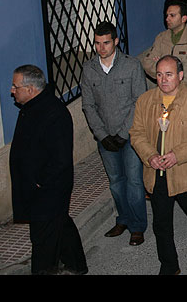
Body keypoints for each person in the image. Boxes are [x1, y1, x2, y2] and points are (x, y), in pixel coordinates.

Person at [130, 55, 187, 275]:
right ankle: (169, 265)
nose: (163, 79)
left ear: (180, 76)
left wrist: (177, 155)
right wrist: (150, 155)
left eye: (168, 74)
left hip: (186, 173)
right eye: (159, 74)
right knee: (161, 224)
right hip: (156, 172)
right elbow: (137, 133)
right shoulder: (145, 100)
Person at [10, 64, 88, 275]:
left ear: (30, 89)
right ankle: (76, 264)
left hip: (47, 190)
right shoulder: (31, 106)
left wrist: (39, 181)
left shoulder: (53, 113)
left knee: (42, 240)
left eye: (15, 87)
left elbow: (60, 158)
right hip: (39, 187)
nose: (12, 90)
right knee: (60, 224)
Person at [80, 22, 148, 247]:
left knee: (134, 182)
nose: (101, 48)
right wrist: (102, 135)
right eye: (98, 43)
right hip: (105, 138)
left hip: (129, 136)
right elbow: (88, 105)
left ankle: (137, 226)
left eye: (106, 43)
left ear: (116, 41)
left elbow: (139, 101)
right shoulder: (89, 69)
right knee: (116, 183)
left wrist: (123, 134)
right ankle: (124, 219)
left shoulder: (131, 66)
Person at [142, 2, 187, 93]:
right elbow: (147, 63)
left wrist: (160, 68)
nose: (167, 19)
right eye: (167, 15)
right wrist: (171, 74)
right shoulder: (161, 37)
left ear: (183, 18)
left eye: (172, 15)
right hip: (162, 94)